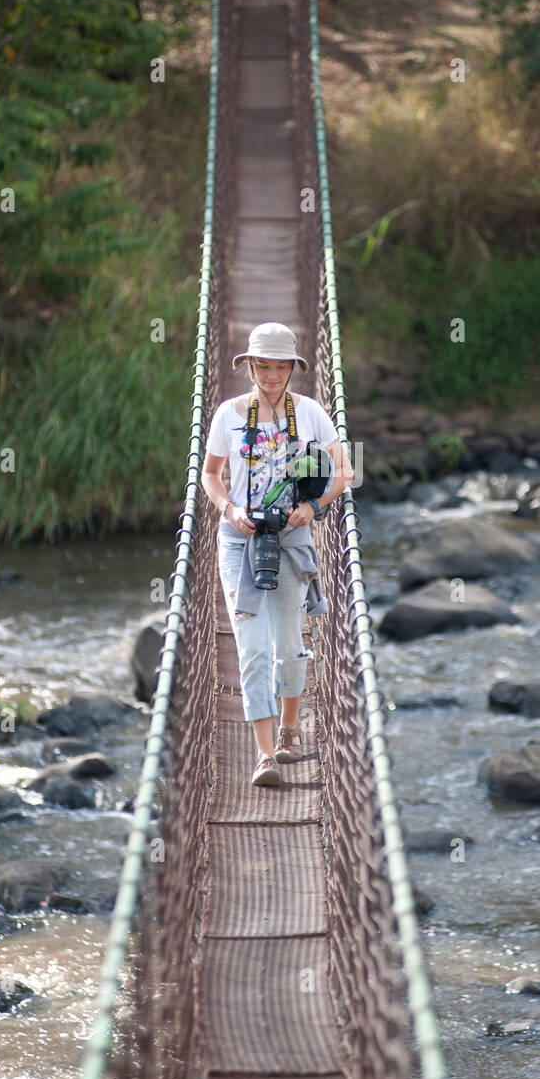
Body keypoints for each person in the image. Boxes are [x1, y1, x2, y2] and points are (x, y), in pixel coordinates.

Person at [201, 323, 355, 789]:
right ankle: (265, 756)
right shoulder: (228, 414)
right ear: (248, 366)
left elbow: (347, 470)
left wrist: (314, 506)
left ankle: (290, 729)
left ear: (293, 369)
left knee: (288, 644)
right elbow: (210, 474)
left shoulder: (309, 413)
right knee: (252, 648)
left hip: (291, 539)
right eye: (262, 366)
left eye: (280, 367)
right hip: (239, 541)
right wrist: (229, 509)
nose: (270, 375)